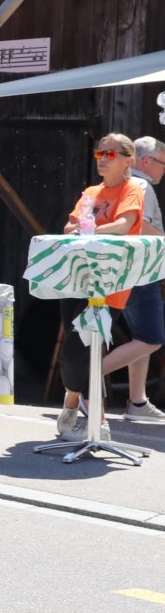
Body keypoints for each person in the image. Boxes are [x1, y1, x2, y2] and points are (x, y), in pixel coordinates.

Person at [53, 133, 149, 440]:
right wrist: (83, 228)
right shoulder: (91, 192)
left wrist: (88, 229)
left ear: (129, 160)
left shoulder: (132, 190)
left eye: (110, 154)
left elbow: (123, 225)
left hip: (109, 285)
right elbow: (68, 227)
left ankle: (79, 409)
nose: (103, 159)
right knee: (79, 350)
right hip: (77, 277)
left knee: (80, 350)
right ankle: (93, 418)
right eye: (99, 154)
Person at [118, 134, 165, 421]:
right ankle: (83, 381)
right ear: (146, 161)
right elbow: (141, 226)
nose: (164, 170)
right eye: (162, 163)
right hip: (140, 268)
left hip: (130, 269)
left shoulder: (127, 183)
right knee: (151, 339)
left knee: (142, 336)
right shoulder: (142, 185)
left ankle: (137, 402)